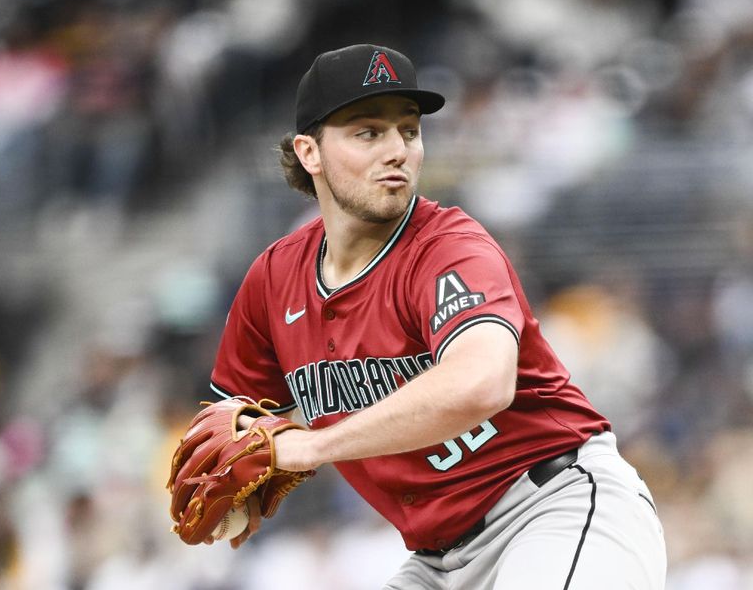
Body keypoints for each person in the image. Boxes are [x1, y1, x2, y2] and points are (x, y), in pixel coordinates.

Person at [208, 44, 667, 589]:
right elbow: (233, 422)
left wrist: (309, 445)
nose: (398, 150)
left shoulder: (449, 248)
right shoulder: (274, 279)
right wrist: (233, 476)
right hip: (437, 560)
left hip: (553, 510)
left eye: (409, 129)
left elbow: (481, 385)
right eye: (368, 132)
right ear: (310, 152)